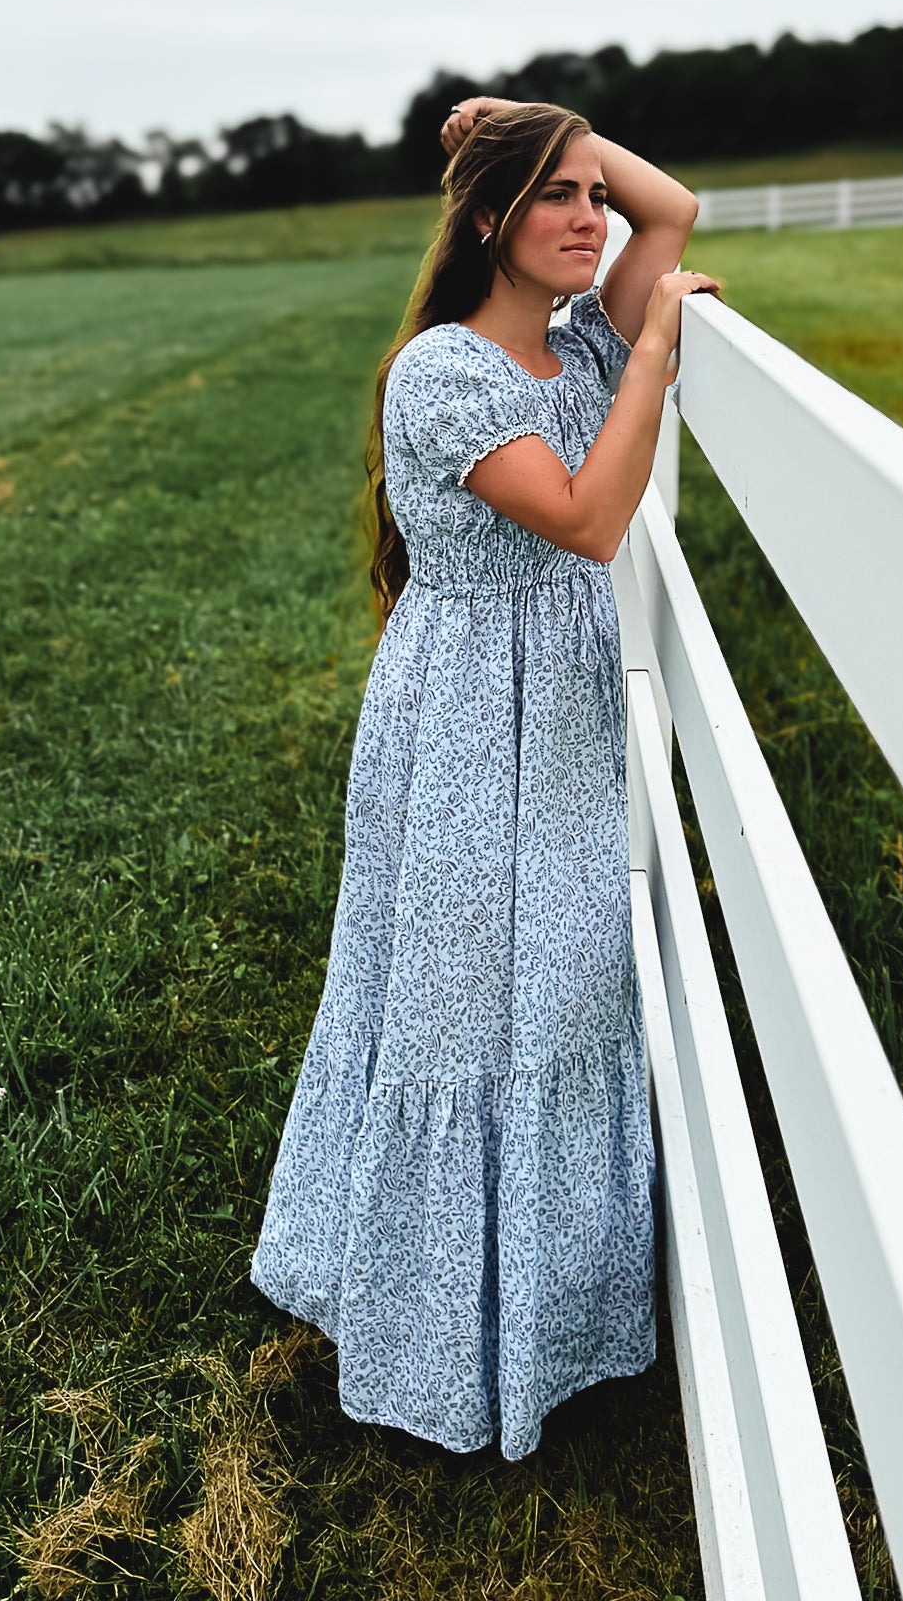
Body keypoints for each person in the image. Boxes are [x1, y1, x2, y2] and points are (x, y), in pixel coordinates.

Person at [250, 96, 720, 1459]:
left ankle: (556, 1316)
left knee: (562, 980)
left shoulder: (579, 341)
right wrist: (656, 348)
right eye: (556, 196)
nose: (593, 218)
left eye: (592, 195)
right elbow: (585, 519)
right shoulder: (444, 372)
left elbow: (676, 209)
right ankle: (432, 1332)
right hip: (464, 719)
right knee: (456, 1001)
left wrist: (539, 122)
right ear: (487, 222)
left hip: (557, 708)